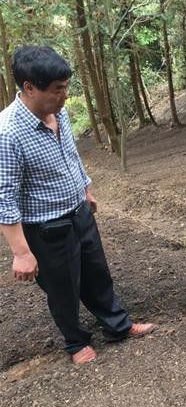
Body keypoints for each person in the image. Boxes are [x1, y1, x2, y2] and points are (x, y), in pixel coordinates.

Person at [0, 46, 156, 365]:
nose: (65, 96)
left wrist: (85, 189)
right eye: (58, 90)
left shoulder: (60, 113)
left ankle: (118, 326)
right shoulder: (7, 133)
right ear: (29, 87)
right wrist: (21, 252)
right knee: (63, 289)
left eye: (66, 87)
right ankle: (75, 342)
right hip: (47, 229)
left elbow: (70, 154)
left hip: (79, 212)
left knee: (97, 273)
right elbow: (4, 196)